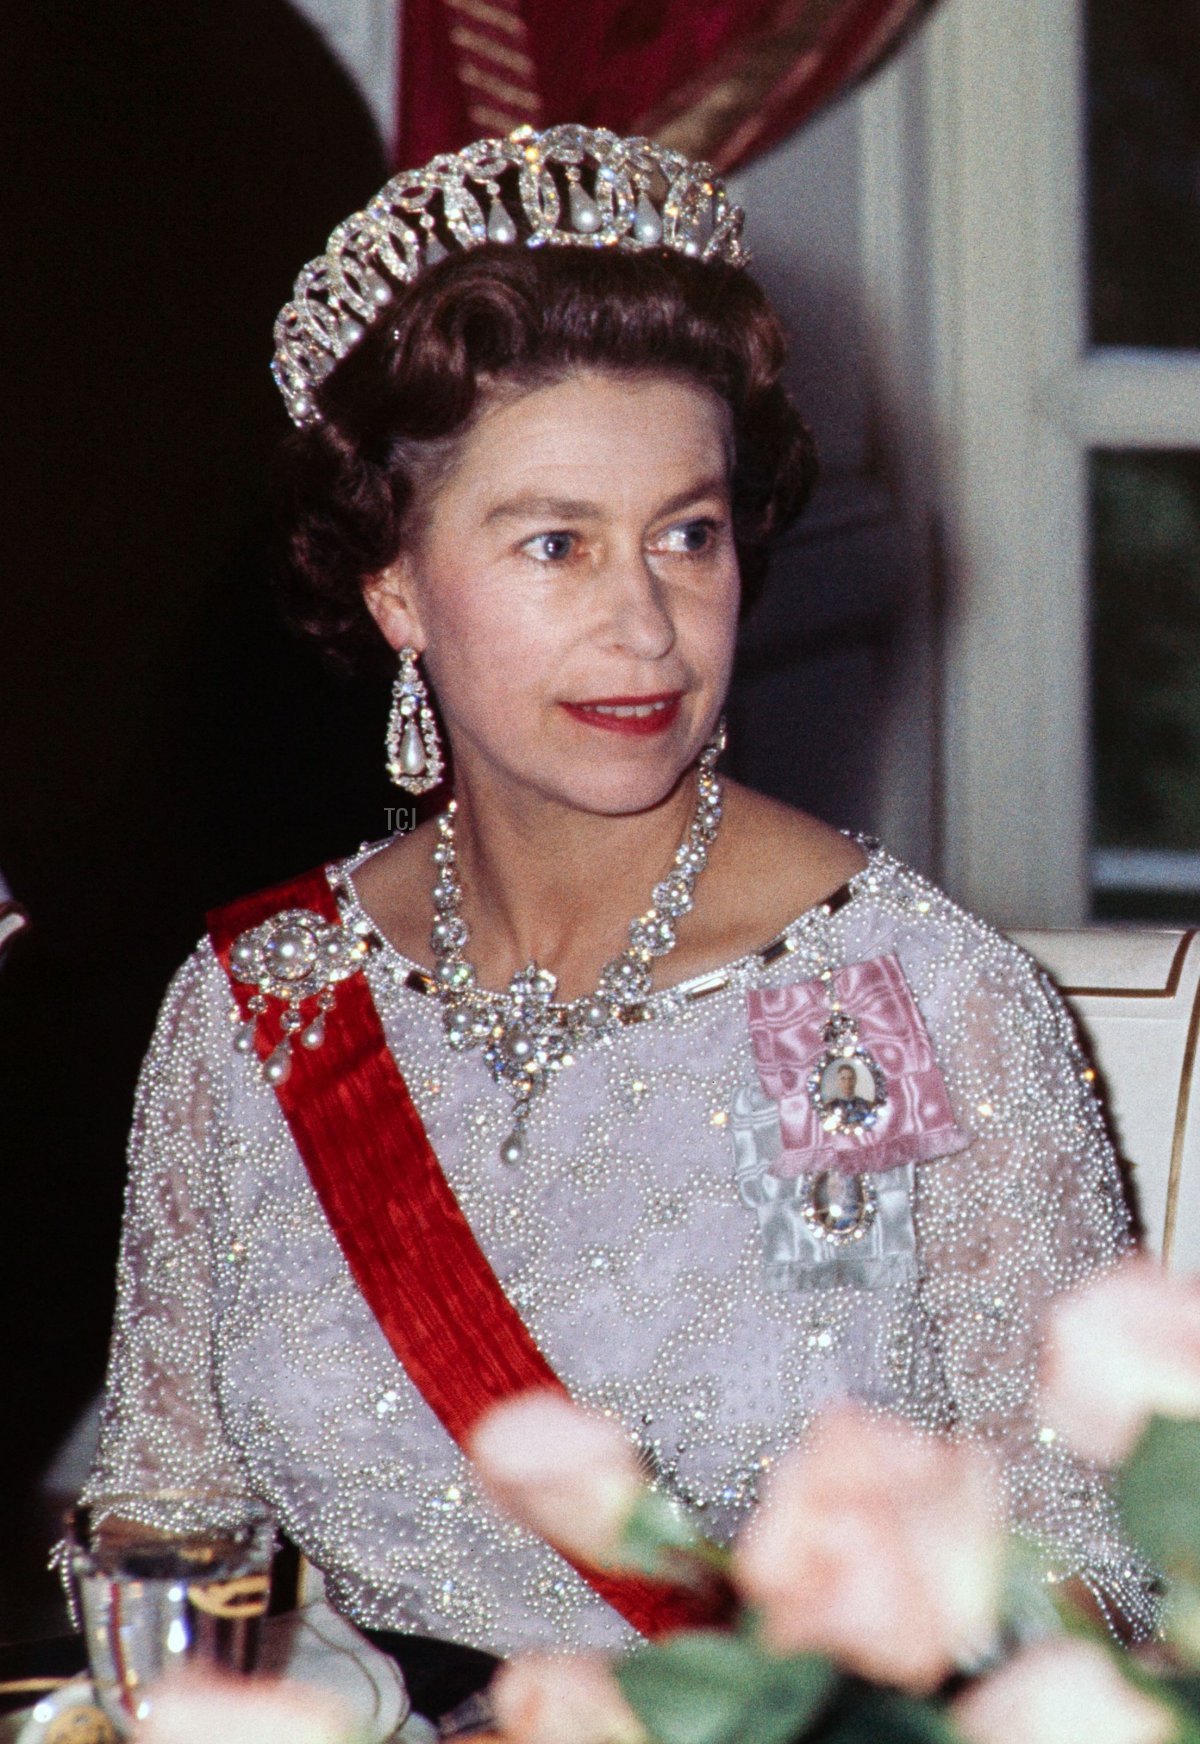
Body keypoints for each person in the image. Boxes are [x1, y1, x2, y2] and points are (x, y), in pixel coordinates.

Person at [81, 124, 1158, 1708]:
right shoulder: (270, 1005)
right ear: (397, 586)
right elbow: (168, 1522)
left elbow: (1080, 1597)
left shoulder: (851, 1010)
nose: (647, 622)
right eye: (556, 542)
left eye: (689, 532)